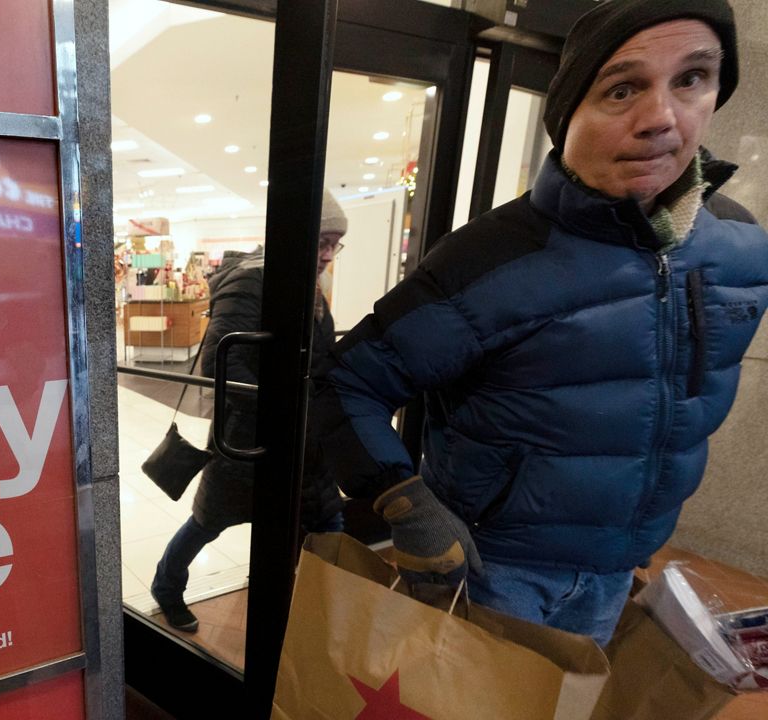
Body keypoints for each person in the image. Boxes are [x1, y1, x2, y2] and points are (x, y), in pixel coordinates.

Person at [313, 0, 768, 646]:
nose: (662, 117)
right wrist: (405, 505)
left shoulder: (742, 250)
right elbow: (345, 382)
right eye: (622, 88)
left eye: (692, 78)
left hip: (618, 570)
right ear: (568, 113)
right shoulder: (491, 261)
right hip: (493, 570)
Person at [150, 196, 349, 632]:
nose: (328, 254)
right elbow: (224, 365)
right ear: (294, 234)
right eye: (321, 241)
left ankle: (310, 607)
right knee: (208, 522)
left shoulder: (308, 288)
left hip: (302, 441)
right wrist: (290, 407)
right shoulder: (250, 282)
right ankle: (166, 588)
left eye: (336, 244)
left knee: (326, 519)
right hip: (248, 440)